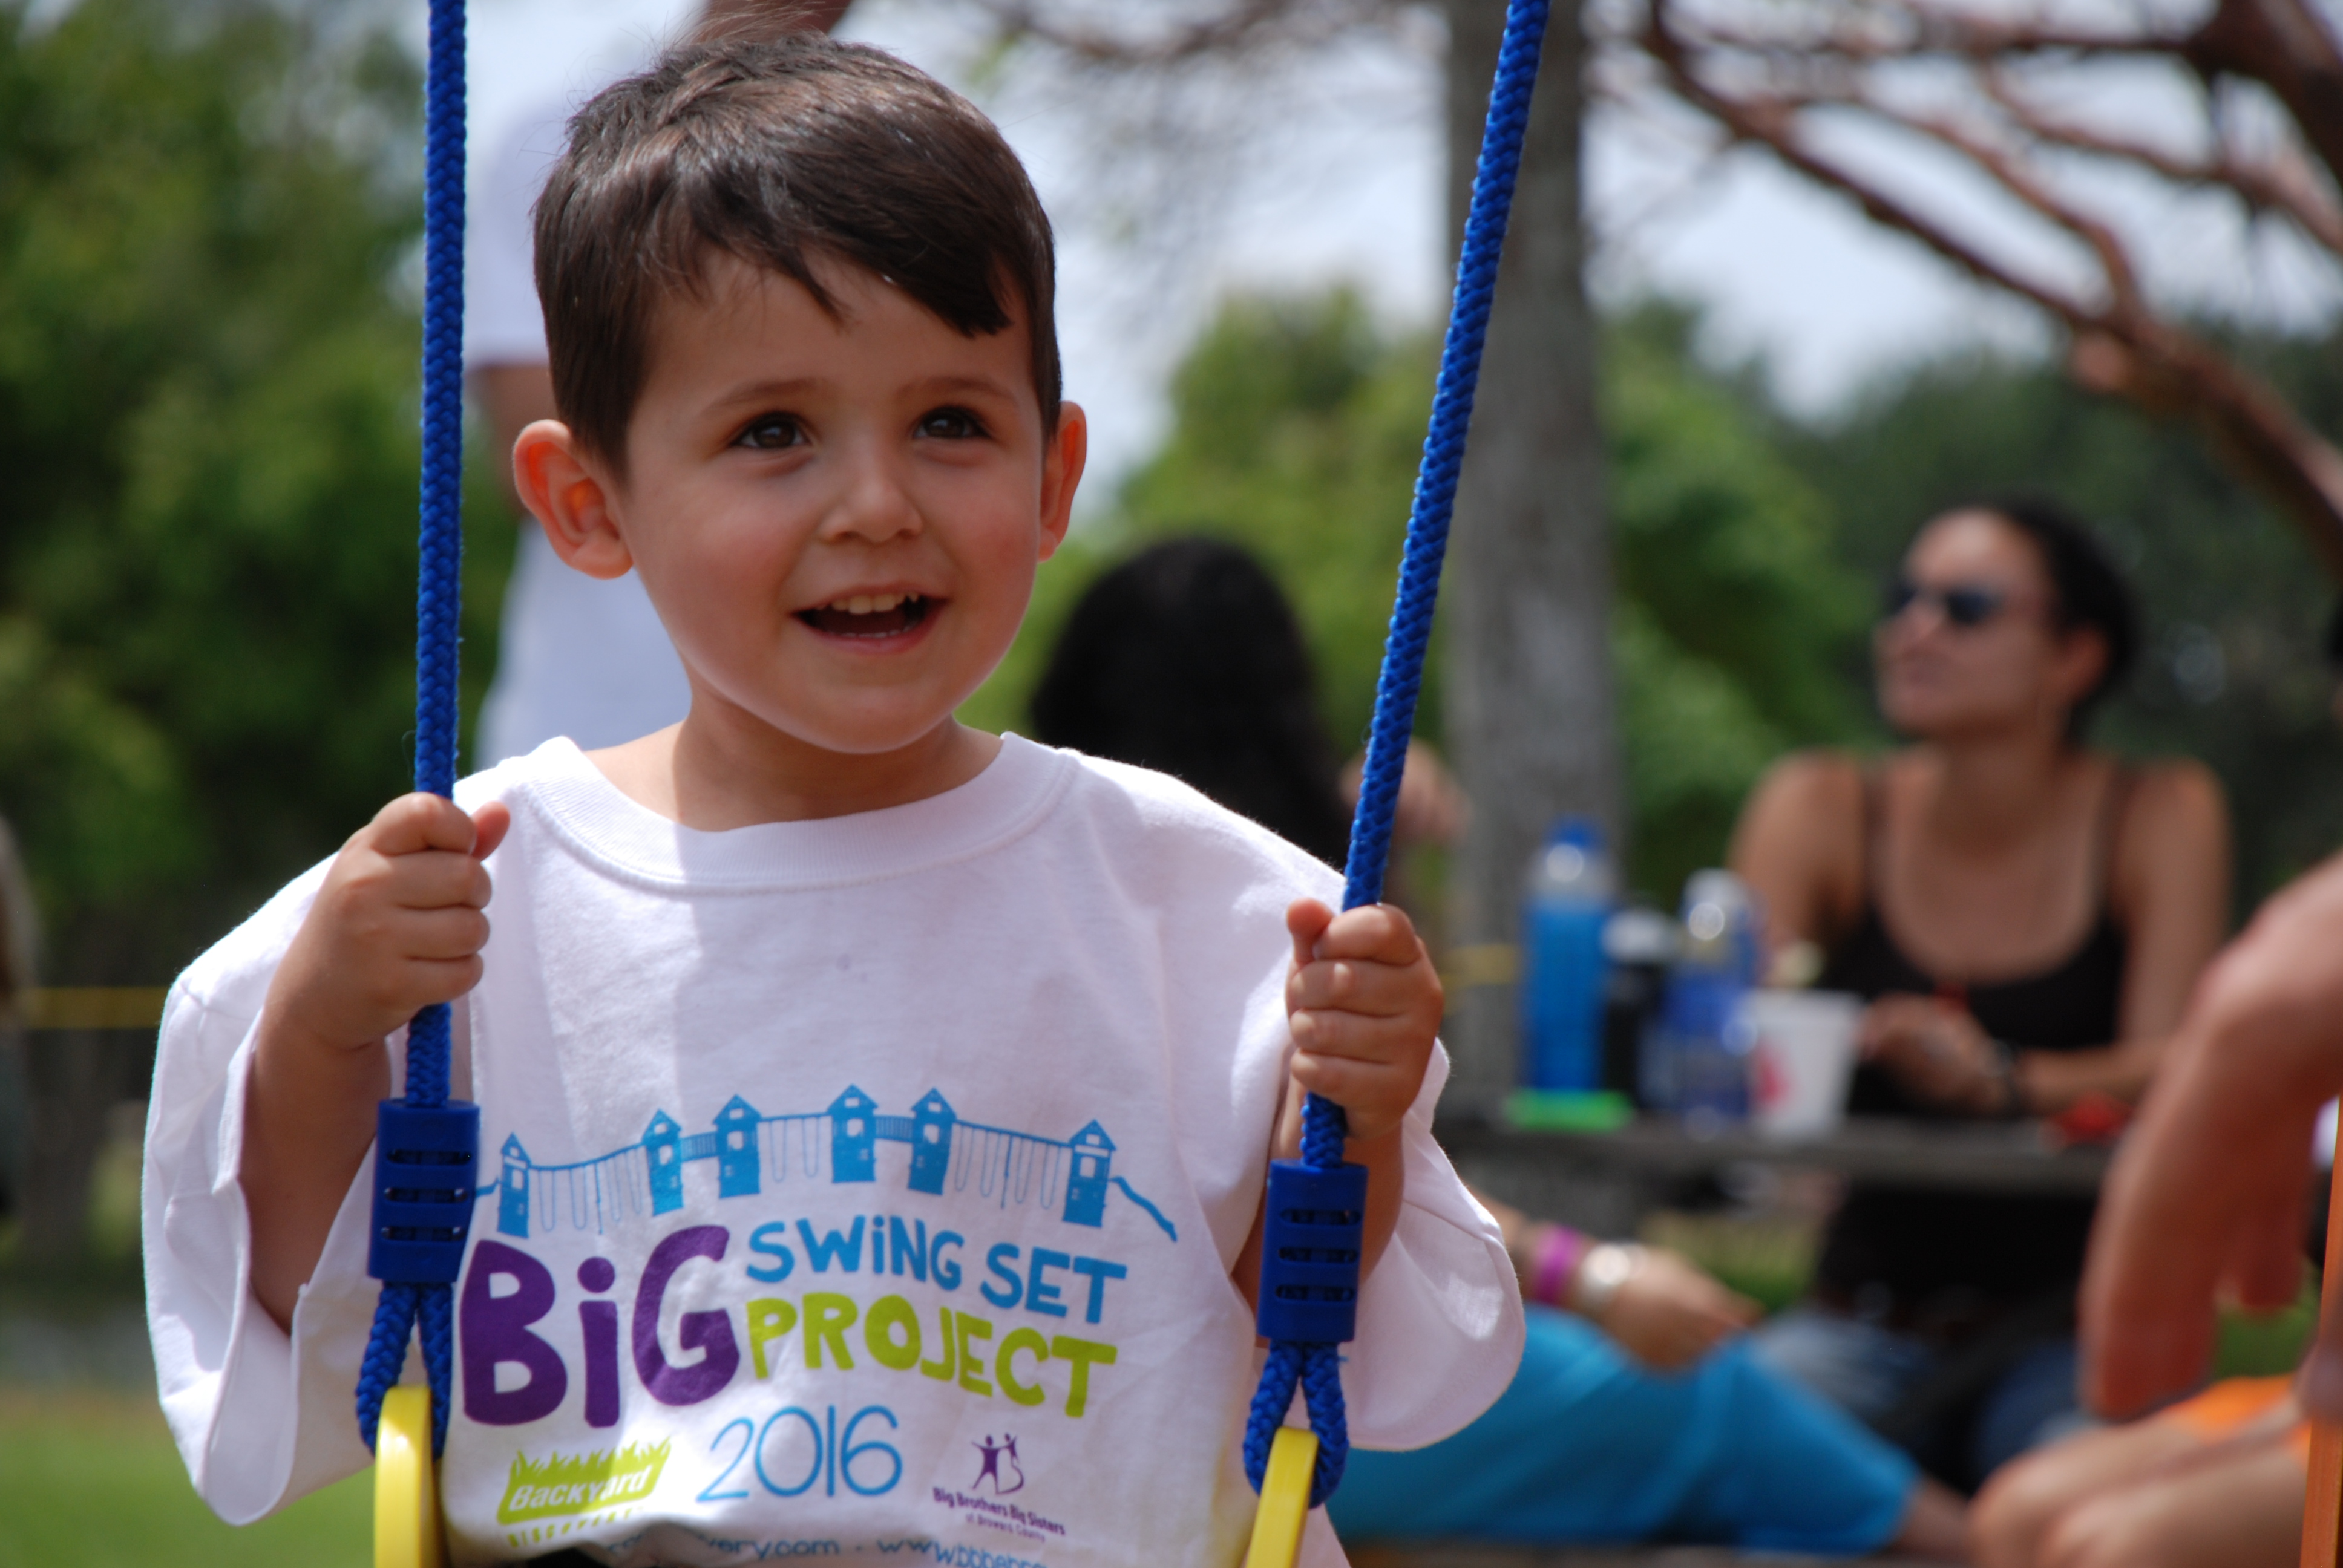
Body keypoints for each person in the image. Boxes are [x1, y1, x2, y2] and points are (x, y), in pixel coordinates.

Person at [141, 38, 1522, 1568]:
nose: (877, 504)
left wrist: (1359, 1113)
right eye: (773, 434)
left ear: (1056, 474)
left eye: (951, 423)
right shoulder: (468, 895)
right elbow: (302, 1312)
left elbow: (1284, 1341)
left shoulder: (1209, 903)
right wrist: (324, 1028)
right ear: (588, 505)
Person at [1034, 539, 1970, 1560]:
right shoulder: (1270, 896)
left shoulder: (1063, 881)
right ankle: (1981, 1545)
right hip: (1281, 1393)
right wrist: (1594, 1275)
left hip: (1114, 1368)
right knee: (1707, 1399)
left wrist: (1372, 840)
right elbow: (1332, 1178)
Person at [1731, 498, 2231, 1485]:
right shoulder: (1822, 803)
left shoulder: (2158, 810)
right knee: (1725, 1500)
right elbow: (1727, 1030)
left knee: (2091, 1521)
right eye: (1902, 599)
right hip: (1856, 1322)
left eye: (1965, 606)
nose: (1913, 629)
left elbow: (2176, 1063)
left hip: (2078, 1332)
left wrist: (2001, 1078)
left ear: (2074, 658)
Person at [467, 0, 851, 764]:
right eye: (770, 431)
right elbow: (522, 440)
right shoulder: (553, 154)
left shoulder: (902, 163)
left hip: (855, 764)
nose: (876, 502)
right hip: (589, 739)